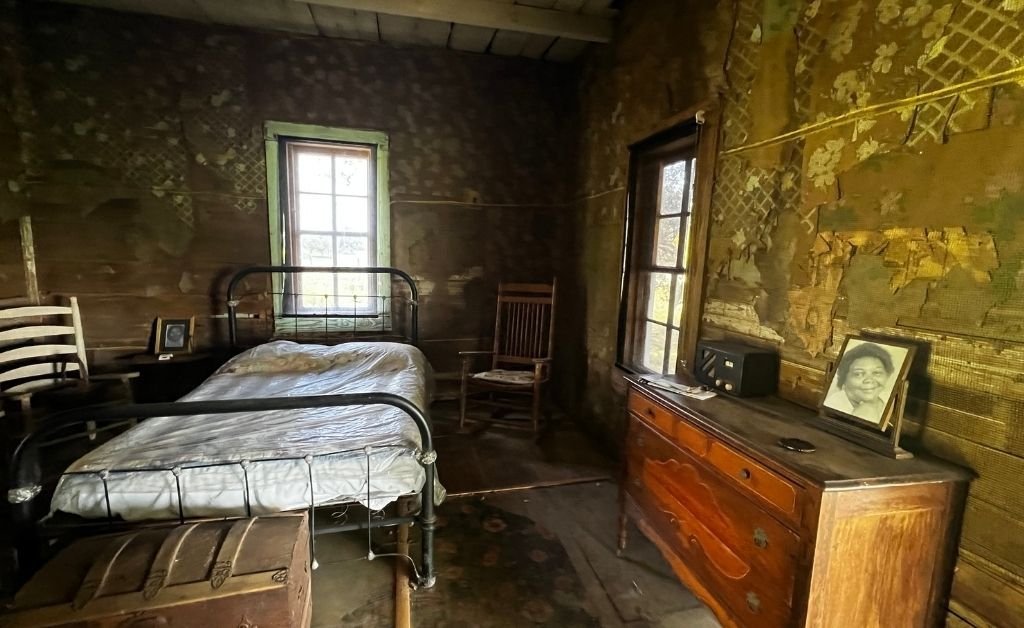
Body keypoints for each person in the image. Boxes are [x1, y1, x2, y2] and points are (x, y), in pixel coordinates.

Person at [824, 342, 894, 424]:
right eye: (858, 374)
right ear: (844, 379)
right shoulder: (833, 404)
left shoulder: (888, 401)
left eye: (876, 373)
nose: (869, 380)